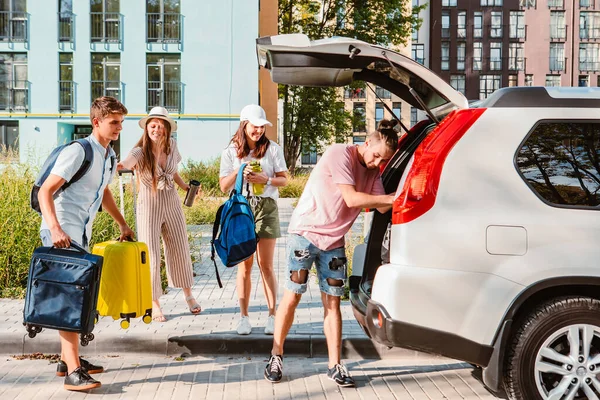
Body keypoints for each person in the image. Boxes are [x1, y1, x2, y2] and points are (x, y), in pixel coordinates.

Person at [264, 121, 399, 387]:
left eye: (383, 160)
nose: (376, 163)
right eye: (376, 155)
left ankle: (335, 366)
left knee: (333, 304)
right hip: (305, 235)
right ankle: (275, 356)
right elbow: (352, 199)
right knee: (292, 297)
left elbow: (381, 208)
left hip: (334, 242)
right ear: (367, 142)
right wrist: (393, 198)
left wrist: (404, 195)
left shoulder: (373, 172)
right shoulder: (340, 153)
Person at [38, 96, 134, 391]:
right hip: (61, 233)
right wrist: (54, 228)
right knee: (70, 300)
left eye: (121, 122)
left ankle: (68, 359)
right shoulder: (79, 151)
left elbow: (103, 191)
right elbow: (45, 191)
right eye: (113, 122)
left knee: (77, 297)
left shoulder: (109, 156)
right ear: (97, 122)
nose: (119, 127)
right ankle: (73, 372)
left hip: (80, 235)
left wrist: (122, 223)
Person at [118, 107, 200, 322]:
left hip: (171, 202)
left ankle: (188, 295)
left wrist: (185, 188)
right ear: (147, 128)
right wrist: (117, 165)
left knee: (180, 247)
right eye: (152, 125)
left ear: (166, 129)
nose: (156, 129)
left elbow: (173, 172)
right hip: (149, 205)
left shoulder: (172, 146)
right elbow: (126, 164)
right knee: (151, 255)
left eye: (160, 126)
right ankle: (154, 303)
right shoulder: (139, 151)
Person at [219, 104, 288, 335]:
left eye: (261, 127)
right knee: (245, 266)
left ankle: (272, 315)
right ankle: (244, 317)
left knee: (266, 264)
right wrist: (240, 171)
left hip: (266, 207)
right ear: (244, 125)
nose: (258, 130)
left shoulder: (272, 149)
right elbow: (222, 186)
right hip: (242, 209)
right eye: (254, 126)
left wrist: (264, 178)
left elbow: (284, 180)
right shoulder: (230, 151)